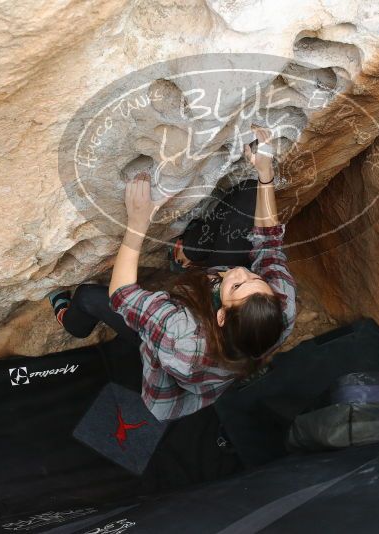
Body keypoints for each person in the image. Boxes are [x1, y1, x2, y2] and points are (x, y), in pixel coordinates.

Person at [46, 126, 297, 421]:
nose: (243, 271)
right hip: (222, 338)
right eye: (256, 278)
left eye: (238, 285)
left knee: (89, 297)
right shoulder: (281, 305)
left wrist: (138, 221)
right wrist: (265, 172)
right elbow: (268, 242)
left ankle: (72, 323)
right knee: (248, 198)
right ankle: (188, 256)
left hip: (173, 371)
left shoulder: (182, 335)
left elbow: (122, 295)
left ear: (220, 316)